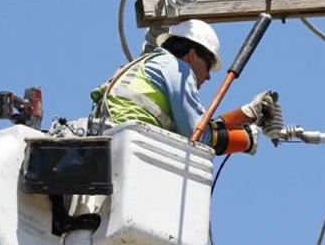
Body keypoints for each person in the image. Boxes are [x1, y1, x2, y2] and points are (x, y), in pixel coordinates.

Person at [91, 19, 272, 155]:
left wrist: (245, 114)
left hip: (108, 144)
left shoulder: (151, 63)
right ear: (192, 55)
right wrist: (246, 140)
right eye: (208, 66)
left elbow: (201, 126)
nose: (208, 76)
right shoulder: (177, 68)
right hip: (134, 145)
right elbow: (198, 135)